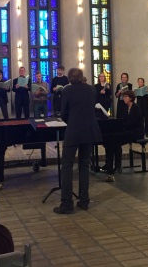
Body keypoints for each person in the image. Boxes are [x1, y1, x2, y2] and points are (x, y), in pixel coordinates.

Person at [53, 68, 102, 214]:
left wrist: (72, 122)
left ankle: (67, 204)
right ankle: (84, 201)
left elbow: (64, 114)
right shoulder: (91, 89)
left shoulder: (67, 91)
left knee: (67, 166)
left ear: (69, 79)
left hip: (74, 131)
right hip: (89, 131)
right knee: (84, 165)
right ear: (82, 77)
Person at [104, 90, 144, 182]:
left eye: (125, 96)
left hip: (136, 132)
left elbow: (132, 123)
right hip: (129, 130)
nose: (124, 98)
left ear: (130, 98)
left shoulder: (136, 108)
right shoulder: (126, 108)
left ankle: (116, 165)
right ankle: (113, 165)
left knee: (116, 140)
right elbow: (122, 120)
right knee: (113, 141)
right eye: (123, 96)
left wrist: (121, 126)